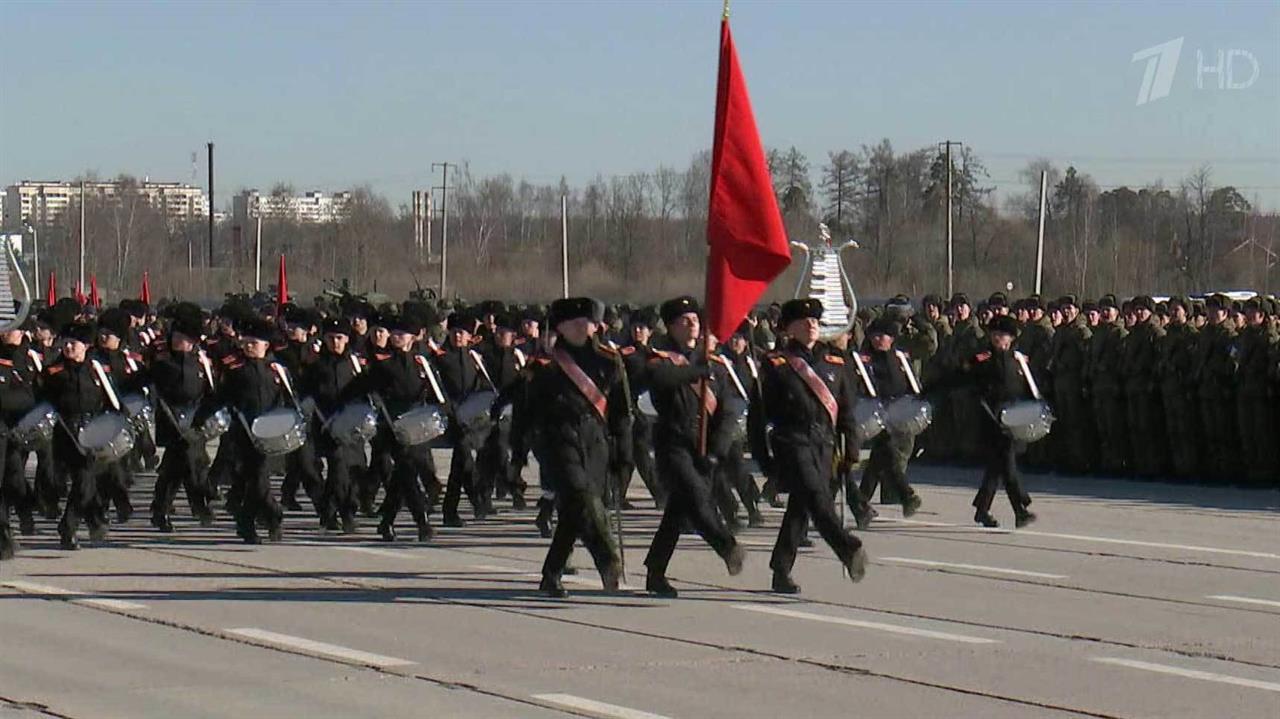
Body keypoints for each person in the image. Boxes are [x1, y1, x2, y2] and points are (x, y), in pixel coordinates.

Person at [512, 297, 628, 598]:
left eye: (586, 321)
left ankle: (551, 574)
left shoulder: (608, 360)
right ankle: (607, 559)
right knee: (579, 495)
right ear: (560, 327)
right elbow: (524, 411)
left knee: (576, 510)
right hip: (557, 440)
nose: (581, 327)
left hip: (596, 441)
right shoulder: (544, 365)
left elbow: (621, 411)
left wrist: (623, 452)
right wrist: (518, 453)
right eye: (573, 322)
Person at [752, 298, 868, 594]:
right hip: (791, 441)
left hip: (824, 445)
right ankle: (848, 548)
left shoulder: (835, 363)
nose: (812, 325)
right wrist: (763, 459)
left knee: (801, 507)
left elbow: (846, 412)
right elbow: (757, 415)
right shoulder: (775, 364)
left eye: (816, 321)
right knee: (817, 498)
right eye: (804, 321)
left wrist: (851, 449)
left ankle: (780, 568)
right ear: (789, 328)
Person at [639, 296, 746, 598]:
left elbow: (727, 411)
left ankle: (655, 572)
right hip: (673, 441)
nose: (692, 325)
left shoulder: (714, 362)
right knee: (697, 498)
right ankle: (727, 546)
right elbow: (661, 380)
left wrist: (716, 450)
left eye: (695, 320)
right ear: (671, 326)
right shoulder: (659, 357)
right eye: (684, 321)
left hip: (705, 445)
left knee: (677, 512)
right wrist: (696, 370)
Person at [196, 318, 294, 544]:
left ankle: (258, 520)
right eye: (246, 342)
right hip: (243, 434)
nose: (249, 346)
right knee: (257, 481)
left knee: (258, 482)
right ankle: (266, 519)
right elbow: (219, 397)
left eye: (254, 343)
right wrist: (202, 416)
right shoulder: (235, 370)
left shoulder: (277, 370)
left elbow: (288, 398)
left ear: (266, 345)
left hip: (270, 434)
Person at [360, 314, 442, 543]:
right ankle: (422, 522)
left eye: (401, 334)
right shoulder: (383, 362)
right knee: (406, 471)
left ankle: (386, 522)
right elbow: (363, 387)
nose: (395, 337)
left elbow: (437, 390)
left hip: (417, 426)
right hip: (392, 426)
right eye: (393, 333)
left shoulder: (422, 362)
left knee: (401, 477)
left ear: (412, 337)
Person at [43, 321, 120, 549]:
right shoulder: (53, 371)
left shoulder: (97, 369)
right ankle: (72, 526)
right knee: (84, 481)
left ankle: (83, 523)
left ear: (86, 345)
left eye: (73, 343)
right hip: (66, 431)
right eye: (65, 343)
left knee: (87, 481)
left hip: (93, 430)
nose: (68, 347)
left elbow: (110, 397)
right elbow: (41, 400)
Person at [148, 303, 218, 532]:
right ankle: (200, 504)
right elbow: (145, 381)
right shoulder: (163, 362)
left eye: (184, 338)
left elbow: (211, 390)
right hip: (171, 421)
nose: (179, 341)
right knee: (191, 463)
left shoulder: (202, 362)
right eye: (177, 336)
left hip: (195, 421)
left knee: (174, 470)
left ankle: (160, 509)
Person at [964, 315, 1036, 528]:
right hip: (992, 419)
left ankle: (982, 510)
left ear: (1011, 338)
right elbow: (970, 380)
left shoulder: (1018, 360)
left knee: (997, 467)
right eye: (994, 334)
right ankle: (1020, 509)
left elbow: (1028, 386)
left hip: (1014, 419)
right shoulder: (983, 359)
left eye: (1002, 334)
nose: (997, 337)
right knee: (1008, 465)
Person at [855, 318, 923, 524]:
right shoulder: (865, 360)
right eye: (874, 335)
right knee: (888, 453)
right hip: (876, 414)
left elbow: (913, 384)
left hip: (899, 413)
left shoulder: (900, 358)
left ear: (891, 338)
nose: (877, 340)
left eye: (881, 336)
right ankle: (906, 495)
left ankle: (861, 505)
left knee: (878, 461)